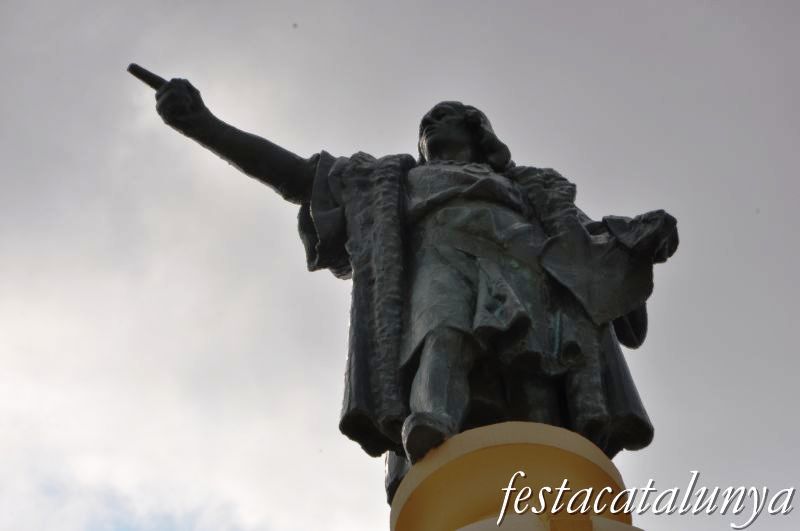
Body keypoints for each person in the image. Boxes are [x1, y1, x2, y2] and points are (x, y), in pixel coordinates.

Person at [150, 78, 678, 502]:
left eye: (445, 117)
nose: (430, 124)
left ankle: (553, 464)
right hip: (440, 258)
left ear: (477, 133)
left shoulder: (530, 189)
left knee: (536, 365)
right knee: (442, 332)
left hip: (525, 265)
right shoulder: (387, 180)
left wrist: (639, 240)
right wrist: (203, 124)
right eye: (425, 122)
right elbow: (293, 173)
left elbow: (591, 249)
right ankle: (431, 420)